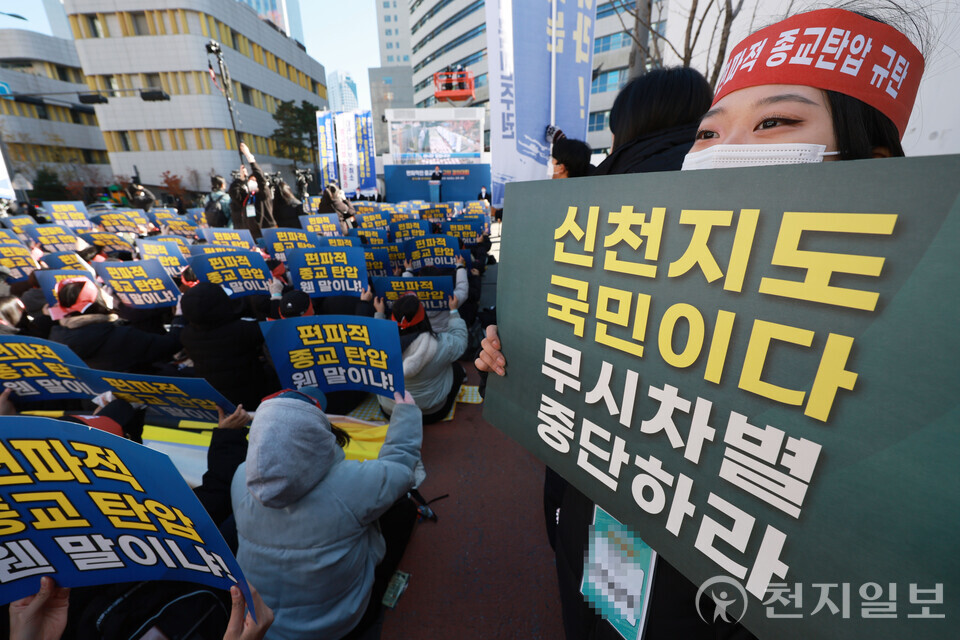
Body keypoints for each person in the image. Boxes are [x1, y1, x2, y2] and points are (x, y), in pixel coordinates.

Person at [478, 8, 926, 640]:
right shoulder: (625, 242)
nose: (726, 151)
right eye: (709, 133)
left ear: (873, 163)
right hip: (605, 532)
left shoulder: (904, 354)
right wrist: (517, 359)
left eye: (775, 122)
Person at [231, 387, 423, 639]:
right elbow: (401, 468)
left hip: (260, 626)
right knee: (403, 509)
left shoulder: (240, 477)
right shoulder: (351, 485)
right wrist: (406, 413)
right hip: (340, 624)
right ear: (318, 431)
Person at [47, 277, 183, 374]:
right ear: (99, 301)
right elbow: (171, 345)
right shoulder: (121, 337)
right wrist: (179, 317)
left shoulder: (57, 335)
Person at [180, 282, 280, 410]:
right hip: (251, 395)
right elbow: (275, 329)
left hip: (216, 398)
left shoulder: (186, 335)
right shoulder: (241, 330)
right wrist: (276, 297)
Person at [375, 293, 467, 423]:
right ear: (424, 318)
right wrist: (453, 311)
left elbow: (377, 333)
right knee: (456, 369)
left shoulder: (377, 345)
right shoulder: (443, 344)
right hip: (433, 412)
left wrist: (379, 314)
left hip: (392, 412)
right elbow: (461, 340)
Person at [229, 142, 276, 240]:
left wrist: (249, 157)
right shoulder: (247, 198)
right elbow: (233, 192)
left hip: (267, 234)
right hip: (252, 235)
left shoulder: (264, 194)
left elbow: (260, 177)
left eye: (255, 181)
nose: (252, 182)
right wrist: (241, 179)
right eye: (250, 180)